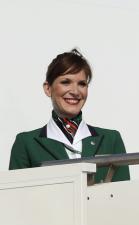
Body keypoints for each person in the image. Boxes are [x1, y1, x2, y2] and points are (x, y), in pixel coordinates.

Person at [9, 49, 129, 182]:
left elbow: (123, 198)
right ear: (48, 88)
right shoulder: (26, 143)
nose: (75, 91)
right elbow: (17, 200)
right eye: (66, 82)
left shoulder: (111, 140)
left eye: (82, 84)